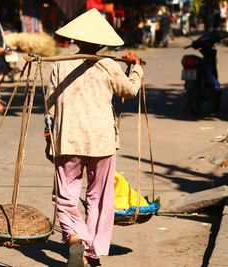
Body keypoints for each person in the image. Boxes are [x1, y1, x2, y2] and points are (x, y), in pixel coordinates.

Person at [44, 8, 144, 267]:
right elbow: (130, 90)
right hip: (101, 142)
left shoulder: (60, 64)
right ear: (101, 43)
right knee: (99, 197)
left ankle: (76, 235)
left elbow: (50, 106)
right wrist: (136, 68)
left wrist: (48, 137)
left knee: (64, 195)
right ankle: (92, 252)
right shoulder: (108, 65)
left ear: (75, 40)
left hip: (68, 139)